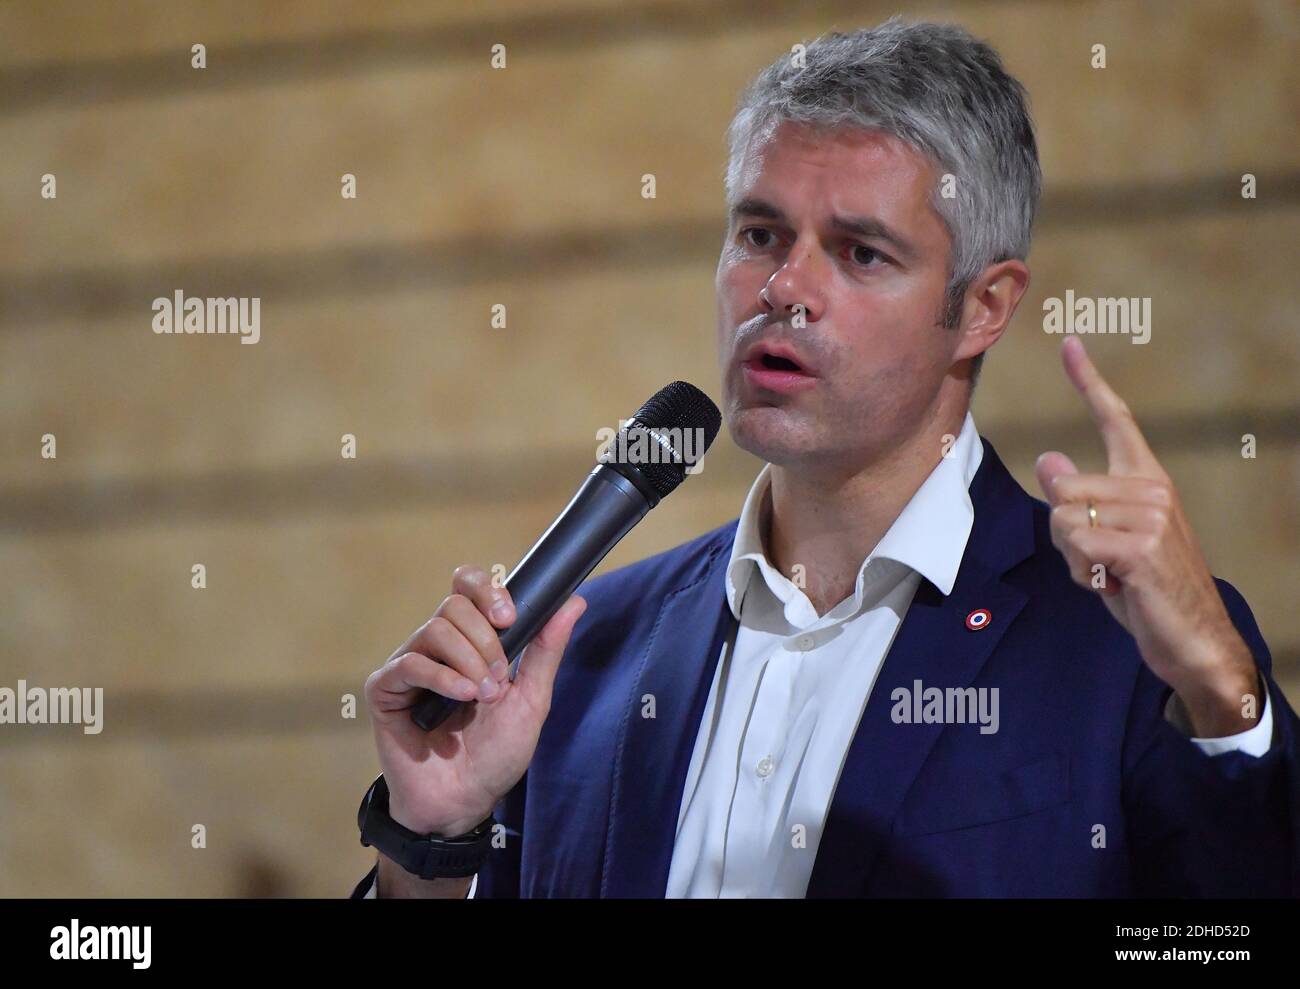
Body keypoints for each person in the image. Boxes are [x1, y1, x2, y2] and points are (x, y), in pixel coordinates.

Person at [352, 17, 1298, 898]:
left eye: (859, 253)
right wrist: (431, 840)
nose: (784, 288)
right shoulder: (580, 658)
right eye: (760, 234)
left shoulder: (1131, 652)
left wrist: (1222, 690)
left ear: (985, 307)